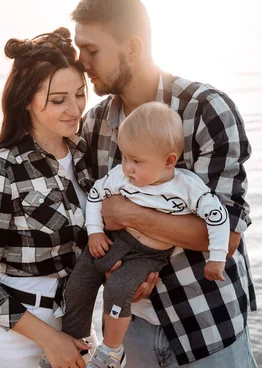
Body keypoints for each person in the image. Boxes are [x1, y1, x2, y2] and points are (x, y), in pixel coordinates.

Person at [74, 0, 258, 367]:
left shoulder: (207, 111)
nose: (81, 62)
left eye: (91, 50)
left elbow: (224, 238)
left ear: (133, 47)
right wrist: (115, 273)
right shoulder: (93, 125)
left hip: (206, 325)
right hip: (133, 328)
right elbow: (95, 226)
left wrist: (127, 214)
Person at [0, 27, 97, 368]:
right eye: (58, 100)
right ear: (27, 100)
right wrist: (51, 340)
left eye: (80, 94)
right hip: (15, 341)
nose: (74, 109)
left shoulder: (84, 154)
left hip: (79, 325)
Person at [59, 102, 230, 368]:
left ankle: (112, 351)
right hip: (117, 241)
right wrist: (95, 233)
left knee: (118, 288)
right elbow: (95, 195)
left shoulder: (187, 187)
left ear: (169, 161)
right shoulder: (122, 176)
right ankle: (73, 339)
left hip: (149, 256)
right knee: (80, 277)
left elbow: (218, 218)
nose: (127, 167)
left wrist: (216, 259)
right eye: (125, 157)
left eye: (137, 161)